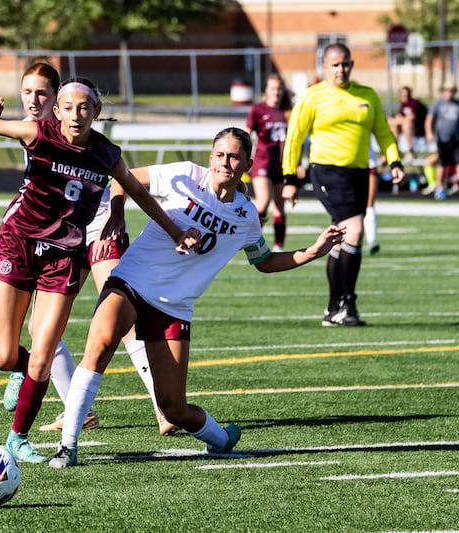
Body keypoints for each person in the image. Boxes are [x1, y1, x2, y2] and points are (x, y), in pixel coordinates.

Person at [47, 127, 346, 468]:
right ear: (210, 157)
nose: (225, 162)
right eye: (219, 155)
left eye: (234, 156)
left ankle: (221, 438)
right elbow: (123, 179)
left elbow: (263, 262)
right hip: (130, 280)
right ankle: (67, 446)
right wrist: (116, 212)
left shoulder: (246, 215)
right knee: (99, 347)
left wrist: (313, 251)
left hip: (173, 308)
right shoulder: (185, 174)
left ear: (247, 163)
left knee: (173, 408)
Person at [0, 77, 199, 463]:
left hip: (63, 256)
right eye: (68, 107)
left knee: (44, 351)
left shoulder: (106, 153)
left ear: (96, 112)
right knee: (4, 356)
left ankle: (18, 437)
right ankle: (28, 376)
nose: (76, 114)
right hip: (17, 244)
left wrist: (175, 231)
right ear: (57, 110)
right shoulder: (37, 133)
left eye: (84, 107)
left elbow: (137, 191)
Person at [14, 62, 177, 436]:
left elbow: (126, 179)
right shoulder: (32, 131)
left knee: (122, 322)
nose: (34, 99)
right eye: (28, 93)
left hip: (100, 232)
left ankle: (165, 407)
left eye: (42, 92)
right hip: (62, 242)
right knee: (40, 331)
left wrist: (117, 210)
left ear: (58, 97)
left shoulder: (87, 133)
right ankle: (77, 408)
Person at [281, 43, 404, 327]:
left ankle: (332, 308)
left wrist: (395, 162)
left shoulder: (367, 95)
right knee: (355, 230)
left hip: (359, 174)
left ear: (352, 64)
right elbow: (294, 138)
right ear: (324, 67)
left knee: (339, 239)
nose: (341, 69)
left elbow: (383, 133)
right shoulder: (313, 97)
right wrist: (289, 178)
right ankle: (348, 303)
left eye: (346, 63)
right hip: (327, 172)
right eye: (335, 64)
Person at [246, 73, 301, 252]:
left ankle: (278, 246)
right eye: (272, 88)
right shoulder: (258, 110)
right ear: (266, 90)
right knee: (263, 201)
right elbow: (246, 135)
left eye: (279, 89)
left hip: (282, 165)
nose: (276, 92)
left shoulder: (288, 113)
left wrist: (298, 163)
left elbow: (295, 140)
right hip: (262, 162)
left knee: (280, 207)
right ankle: (253, 241)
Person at [424, 82, 459, 200]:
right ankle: (440, 188)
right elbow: (429, 119)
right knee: (442, 163)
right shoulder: (438, 104)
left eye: (451, 91)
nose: (449, 93)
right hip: (442, 139)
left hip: (456, 139)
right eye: (447, 90)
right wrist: (429, 132)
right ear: (443, 91)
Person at [388, 86, 427, 160]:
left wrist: (395, 121)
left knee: (406, 125)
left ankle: (410, 151)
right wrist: (395, 120)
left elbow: (411, 117)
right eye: (401, 95)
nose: (403, 97)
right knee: (394, 126)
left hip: (419, 129)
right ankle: (396, 149)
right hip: (407, 129)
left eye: (405, 95)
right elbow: (399, 115)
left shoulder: (414, 102)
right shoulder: (403, 104)